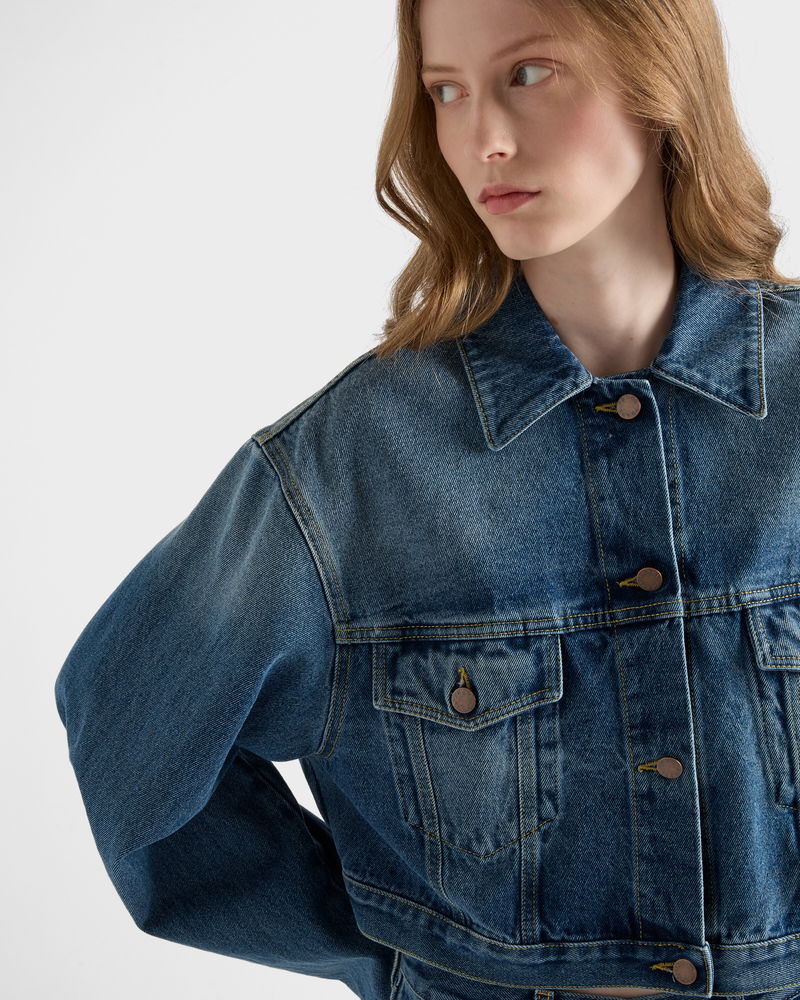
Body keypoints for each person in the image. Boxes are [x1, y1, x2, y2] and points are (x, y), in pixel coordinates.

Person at [54, 1, 800, 999]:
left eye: (527, 74)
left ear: (658, 73)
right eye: (445, 91)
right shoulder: (346, 470)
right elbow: (127, 729)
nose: (483, 137)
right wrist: (401, 962)